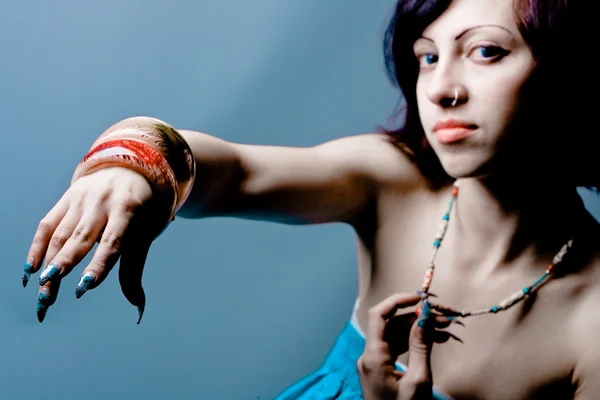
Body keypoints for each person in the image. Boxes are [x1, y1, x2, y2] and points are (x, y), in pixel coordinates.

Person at [22, 0, 600, 398]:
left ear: (569, 67)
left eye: (486, 52)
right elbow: (231, 171)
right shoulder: (394, 180)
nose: (443, 88)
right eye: (427, 56)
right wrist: (135, 164)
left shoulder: (591, 320)